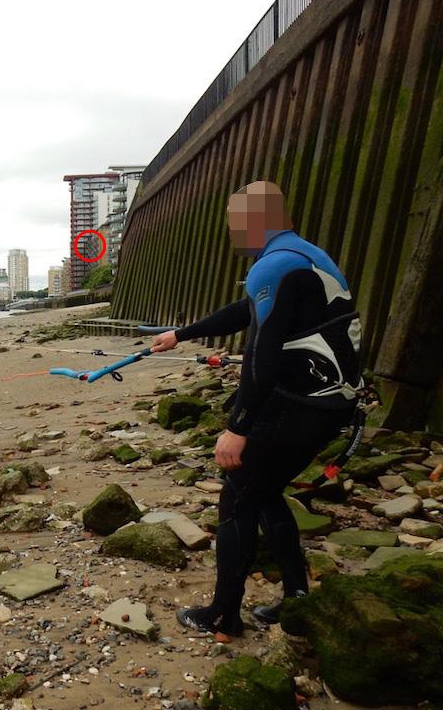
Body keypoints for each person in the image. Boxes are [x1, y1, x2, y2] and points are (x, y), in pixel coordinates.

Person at [151, 181, 362, 637]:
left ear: (259, 219)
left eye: (236, 222)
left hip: (305, 402)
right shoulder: (302, 256)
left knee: (239, 492)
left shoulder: (274, 266)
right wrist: (182, 334)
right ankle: (296, 597)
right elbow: (245, 312)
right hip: (334, 401)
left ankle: (224, 613)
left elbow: (261, 356)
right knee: (264, 490)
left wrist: (238, 427)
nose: (232, 232)